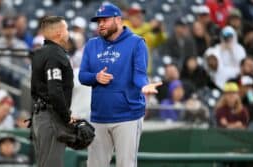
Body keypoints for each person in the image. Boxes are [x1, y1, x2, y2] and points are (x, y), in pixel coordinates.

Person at [79, 3, 161, 167]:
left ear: (118, 19)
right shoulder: (92, 44)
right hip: (99, 115)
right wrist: (96, 77)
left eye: (105, 20)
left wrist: (144, 86)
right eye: (98, 21)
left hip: (127, 115)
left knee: (126, 164)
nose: (101, 24)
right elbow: (82, 76)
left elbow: (139, 74)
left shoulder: (136, 43)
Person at [30, 16, 74, 167]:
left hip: (40, 115)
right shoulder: (55, 54)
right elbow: (55, 90)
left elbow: (34, 90)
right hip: (51, 118)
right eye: (66, 29)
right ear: (59, 33)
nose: (68, 33)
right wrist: (66, 116)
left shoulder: (39, 53)